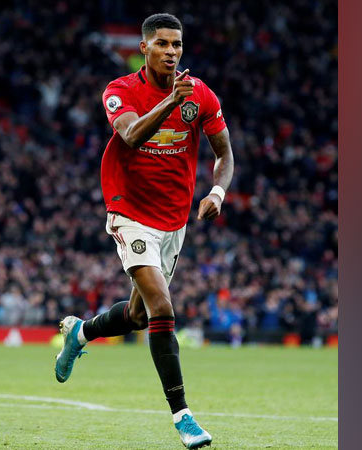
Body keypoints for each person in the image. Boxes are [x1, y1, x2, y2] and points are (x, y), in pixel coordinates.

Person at [55, 13, 234, 449]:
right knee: (162, 307)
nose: (172, 52)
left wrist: (217, 192)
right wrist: (172, 102)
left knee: (139, 316)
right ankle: (184, 417)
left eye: (177, 45)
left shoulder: (201, 95)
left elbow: (225, 154)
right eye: (163, 44)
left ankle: (81, 332)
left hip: (173, 220)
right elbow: (131, 136)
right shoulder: (120, 91)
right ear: (144, 48)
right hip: (128, 211)